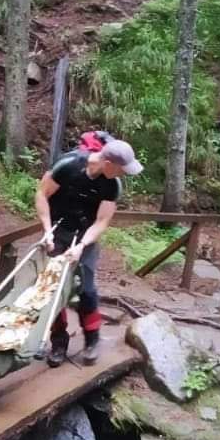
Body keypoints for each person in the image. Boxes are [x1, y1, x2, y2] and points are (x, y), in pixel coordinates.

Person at [34, 136, 143, 368]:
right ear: (109, 163)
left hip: (86, 235)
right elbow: (42, 194)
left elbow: (102, 221)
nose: (124, 174)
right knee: (52, 287)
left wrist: (82, 246)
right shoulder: (68, 165)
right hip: (57, 229)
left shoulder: (112, 185)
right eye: (122, 169)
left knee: (87, 289)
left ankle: (92, 339)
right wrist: (47, 231)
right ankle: (59, 341)